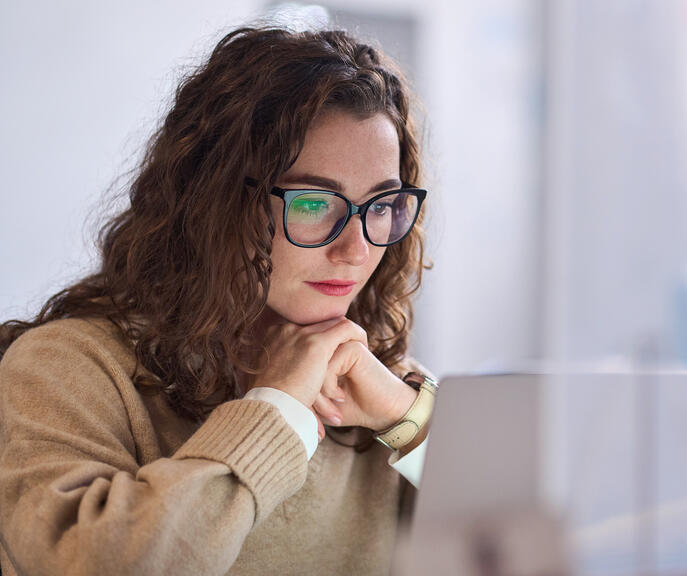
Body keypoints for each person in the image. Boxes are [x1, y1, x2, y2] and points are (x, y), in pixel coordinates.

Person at [0, 23, 435, 576]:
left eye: (381, 206)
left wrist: (410, 419)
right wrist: (277, 409)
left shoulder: (379, 383)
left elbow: (520, 538)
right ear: (215, 202)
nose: (356, 250)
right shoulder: (65, 370)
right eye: (312, 203)